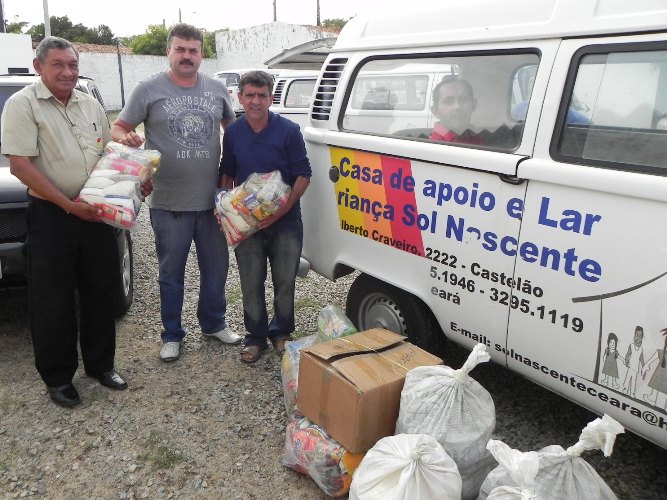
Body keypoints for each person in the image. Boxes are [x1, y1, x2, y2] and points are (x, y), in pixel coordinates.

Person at [0, 36, 130, 406]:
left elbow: (110, 154)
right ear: (39, 66)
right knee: (52, 300)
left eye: (72, 65)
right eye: (58, 64)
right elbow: (21, 165)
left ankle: (101, 366)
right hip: (52, 216)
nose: (67, 72)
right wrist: (69, 206)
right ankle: (58, 379)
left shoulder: (89, 104)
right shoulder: (23, 105)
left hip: (96, 212)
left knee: (100, 292)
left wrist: (134, 179)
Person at [111, 23, 242, 363]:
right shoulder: (148, 88)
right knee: (171, 274)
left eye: (193, 50)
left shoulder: (215, 89)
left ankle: (213, 323)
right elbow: (119, 126)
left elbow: (235, 131)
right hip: (168, 202)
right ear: (168, 51)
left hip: (213, 202)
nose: (187, 56)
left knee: (216, 269)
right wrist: (125, 138)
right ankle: (171, 334)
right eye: (180, 49)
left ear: (201, 54)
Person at [219, 71, 311, 364]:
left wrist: (280, 211)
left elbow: (303, 175)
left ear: (271, 98)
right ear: (240, 97)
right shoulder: (233, 132)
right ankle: (255, 337)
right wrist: (226, 206)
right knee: (250, 280)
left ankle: (281, 333)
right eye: (250, 95)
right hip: (247, 223)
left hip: (285, 222)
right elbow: (227, 172)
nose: (256, 101)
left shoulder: (288, 130)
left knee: (285, 281)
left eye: (262, 95)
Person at [430, 75, 483, 144]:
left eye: (464, 99)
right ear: (435, 111)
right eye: (448, 101)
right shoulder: (432, 146)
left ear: (474, 105)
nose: (457, 106)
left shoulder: (476, 136)